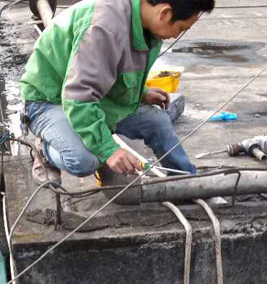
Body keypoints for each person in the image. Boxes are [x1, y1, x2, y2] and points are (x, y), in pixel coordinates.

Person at [19, 0, 214, 184]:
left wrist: (141, 92)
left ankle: (185, 179)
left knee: (157, 121)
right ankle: (44, 150)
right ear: (164, 13)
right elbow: (77, 97)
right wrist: (110, 151)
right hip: (48, 100)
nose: (175, 36)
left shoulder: (147, 24)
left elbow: (110, 68)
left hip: (91, 96)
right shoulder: (104, 28)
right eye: (180, 29)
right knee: (84, 160)